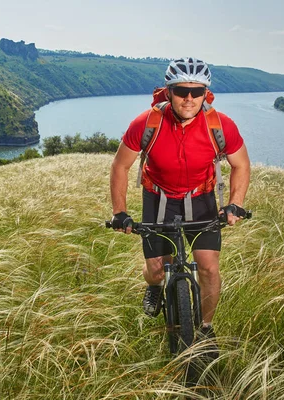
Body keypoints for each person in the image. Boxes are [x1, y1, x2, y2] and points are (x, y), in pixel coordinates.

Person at [109, 57, 250, 341]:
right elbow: (119, 166)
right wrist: (119, 212)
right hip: (158, 199)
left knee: (209, 268)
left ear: (205, 94)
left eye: (196, 92)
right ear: (168, 91)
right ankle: (155, 287)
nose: (189, 98)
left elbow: (241, 165)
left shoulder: (220, 126)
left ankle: (206, 329)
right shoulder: (146, 123)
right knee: (157, 270)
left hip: (201, 200)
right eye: (181, 91)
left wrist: (235, 203)